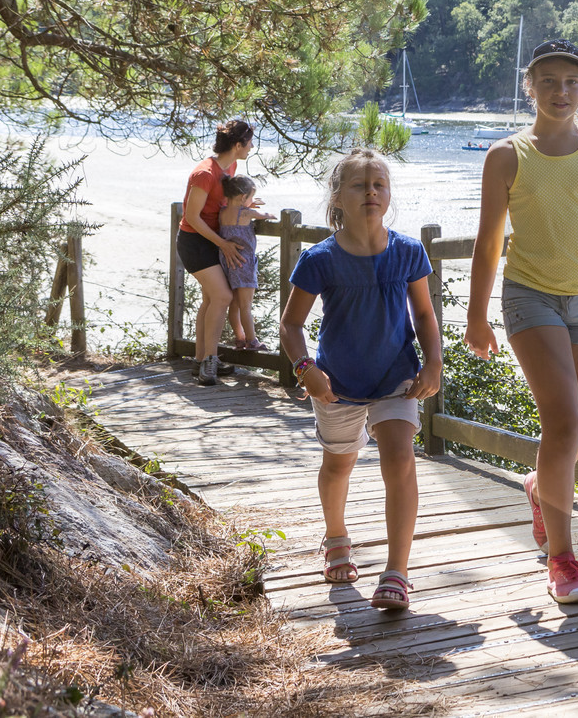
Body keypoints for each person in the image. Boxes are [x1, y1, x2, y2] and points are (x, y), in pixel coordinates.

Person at [466, 38, 578, 604]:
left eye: (571, 82)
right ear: (530, 88)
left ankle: (540, 488)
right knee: (563, 423)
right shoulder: (507, 155)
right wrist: (476, 315)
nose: (560, 92)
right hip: (531, 297)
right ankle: (562, 561)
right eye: (548, 82)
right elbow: (489, 241)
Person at [279, 150, 443, 612]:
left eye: (379, 185)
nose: (371, 192)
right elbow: (290, 325)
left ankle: (397, 572)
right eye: (359, 185)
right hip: (337, 383)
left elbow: (424, 314)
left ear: (388, 195)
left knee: (401, 459)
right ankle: (336, 537)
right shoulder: (320, 259)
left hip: (396, 377)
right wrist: (306, 369)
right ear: (337, 197)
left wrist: (433, 362)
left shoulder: (408, 251)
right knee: (338, 464)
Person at [175, 118, 254, 386]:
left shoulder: (230, 167)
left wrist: (244, 206)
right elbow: (192, 217)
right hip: (194, 242)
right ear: (237, 145)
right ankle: (210, 360)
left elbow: (223, 202)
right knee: (222, 296)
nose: (251, 148)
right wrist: (222, 244)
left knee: (211, 300)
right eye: (249, 143)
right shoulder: (205, 174)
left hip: (212, 240)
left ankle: (201, 360)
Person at [218, 174, 275, 351]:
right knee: (246, 306)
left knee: (235, 305)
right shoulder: (246, 213)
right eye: (251, 197)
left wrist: (249, 203)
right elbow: (266, 215)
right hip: (244, 262)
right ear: (243, 197)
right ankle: (252, 340)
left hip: (228, 262)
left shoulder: (222, 212)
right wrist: (268, 214)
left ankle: (240, 338)